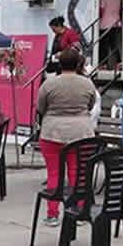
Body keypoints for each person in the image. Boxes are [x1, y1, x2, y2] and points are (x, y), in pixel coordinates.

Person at [35, 48, 98, 227]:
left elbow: (40, 107)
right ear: (78, 64)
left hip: (52, 132)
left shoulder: (49, 84)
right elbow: (91, 105)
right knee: (77, 174)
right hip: (81, 133)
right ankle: (78, 211)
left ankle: (53, 214)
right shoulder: (87, 84)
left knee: (54, 173)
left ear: (60, 64)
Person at [98, 0, 123, 68]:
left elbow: (101, 9)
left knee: (103, 44)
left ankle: (103, 64)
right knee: (113, 44)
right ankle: (118, 63)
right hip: (116, 22)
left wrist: (98, 17)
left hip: (105, 23)